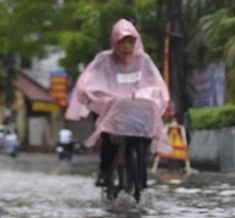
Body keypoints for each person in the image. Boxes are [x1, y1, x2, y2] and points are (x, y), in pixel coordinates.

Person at [65, 19, 171, 188]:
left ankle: (141, 174)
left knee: (145, 139)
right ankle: (105, 171)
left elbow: (155, 82)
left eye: (130, 42)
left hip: (137, 112)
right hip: (112, 112)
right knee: (107, 139)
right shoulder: (104, 60)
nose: (126, 47)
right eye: (122, 42)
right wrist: (97, 95)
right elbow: (89, 81)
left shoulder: (144, 61)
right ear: (115, 42)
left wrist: (152, 94)